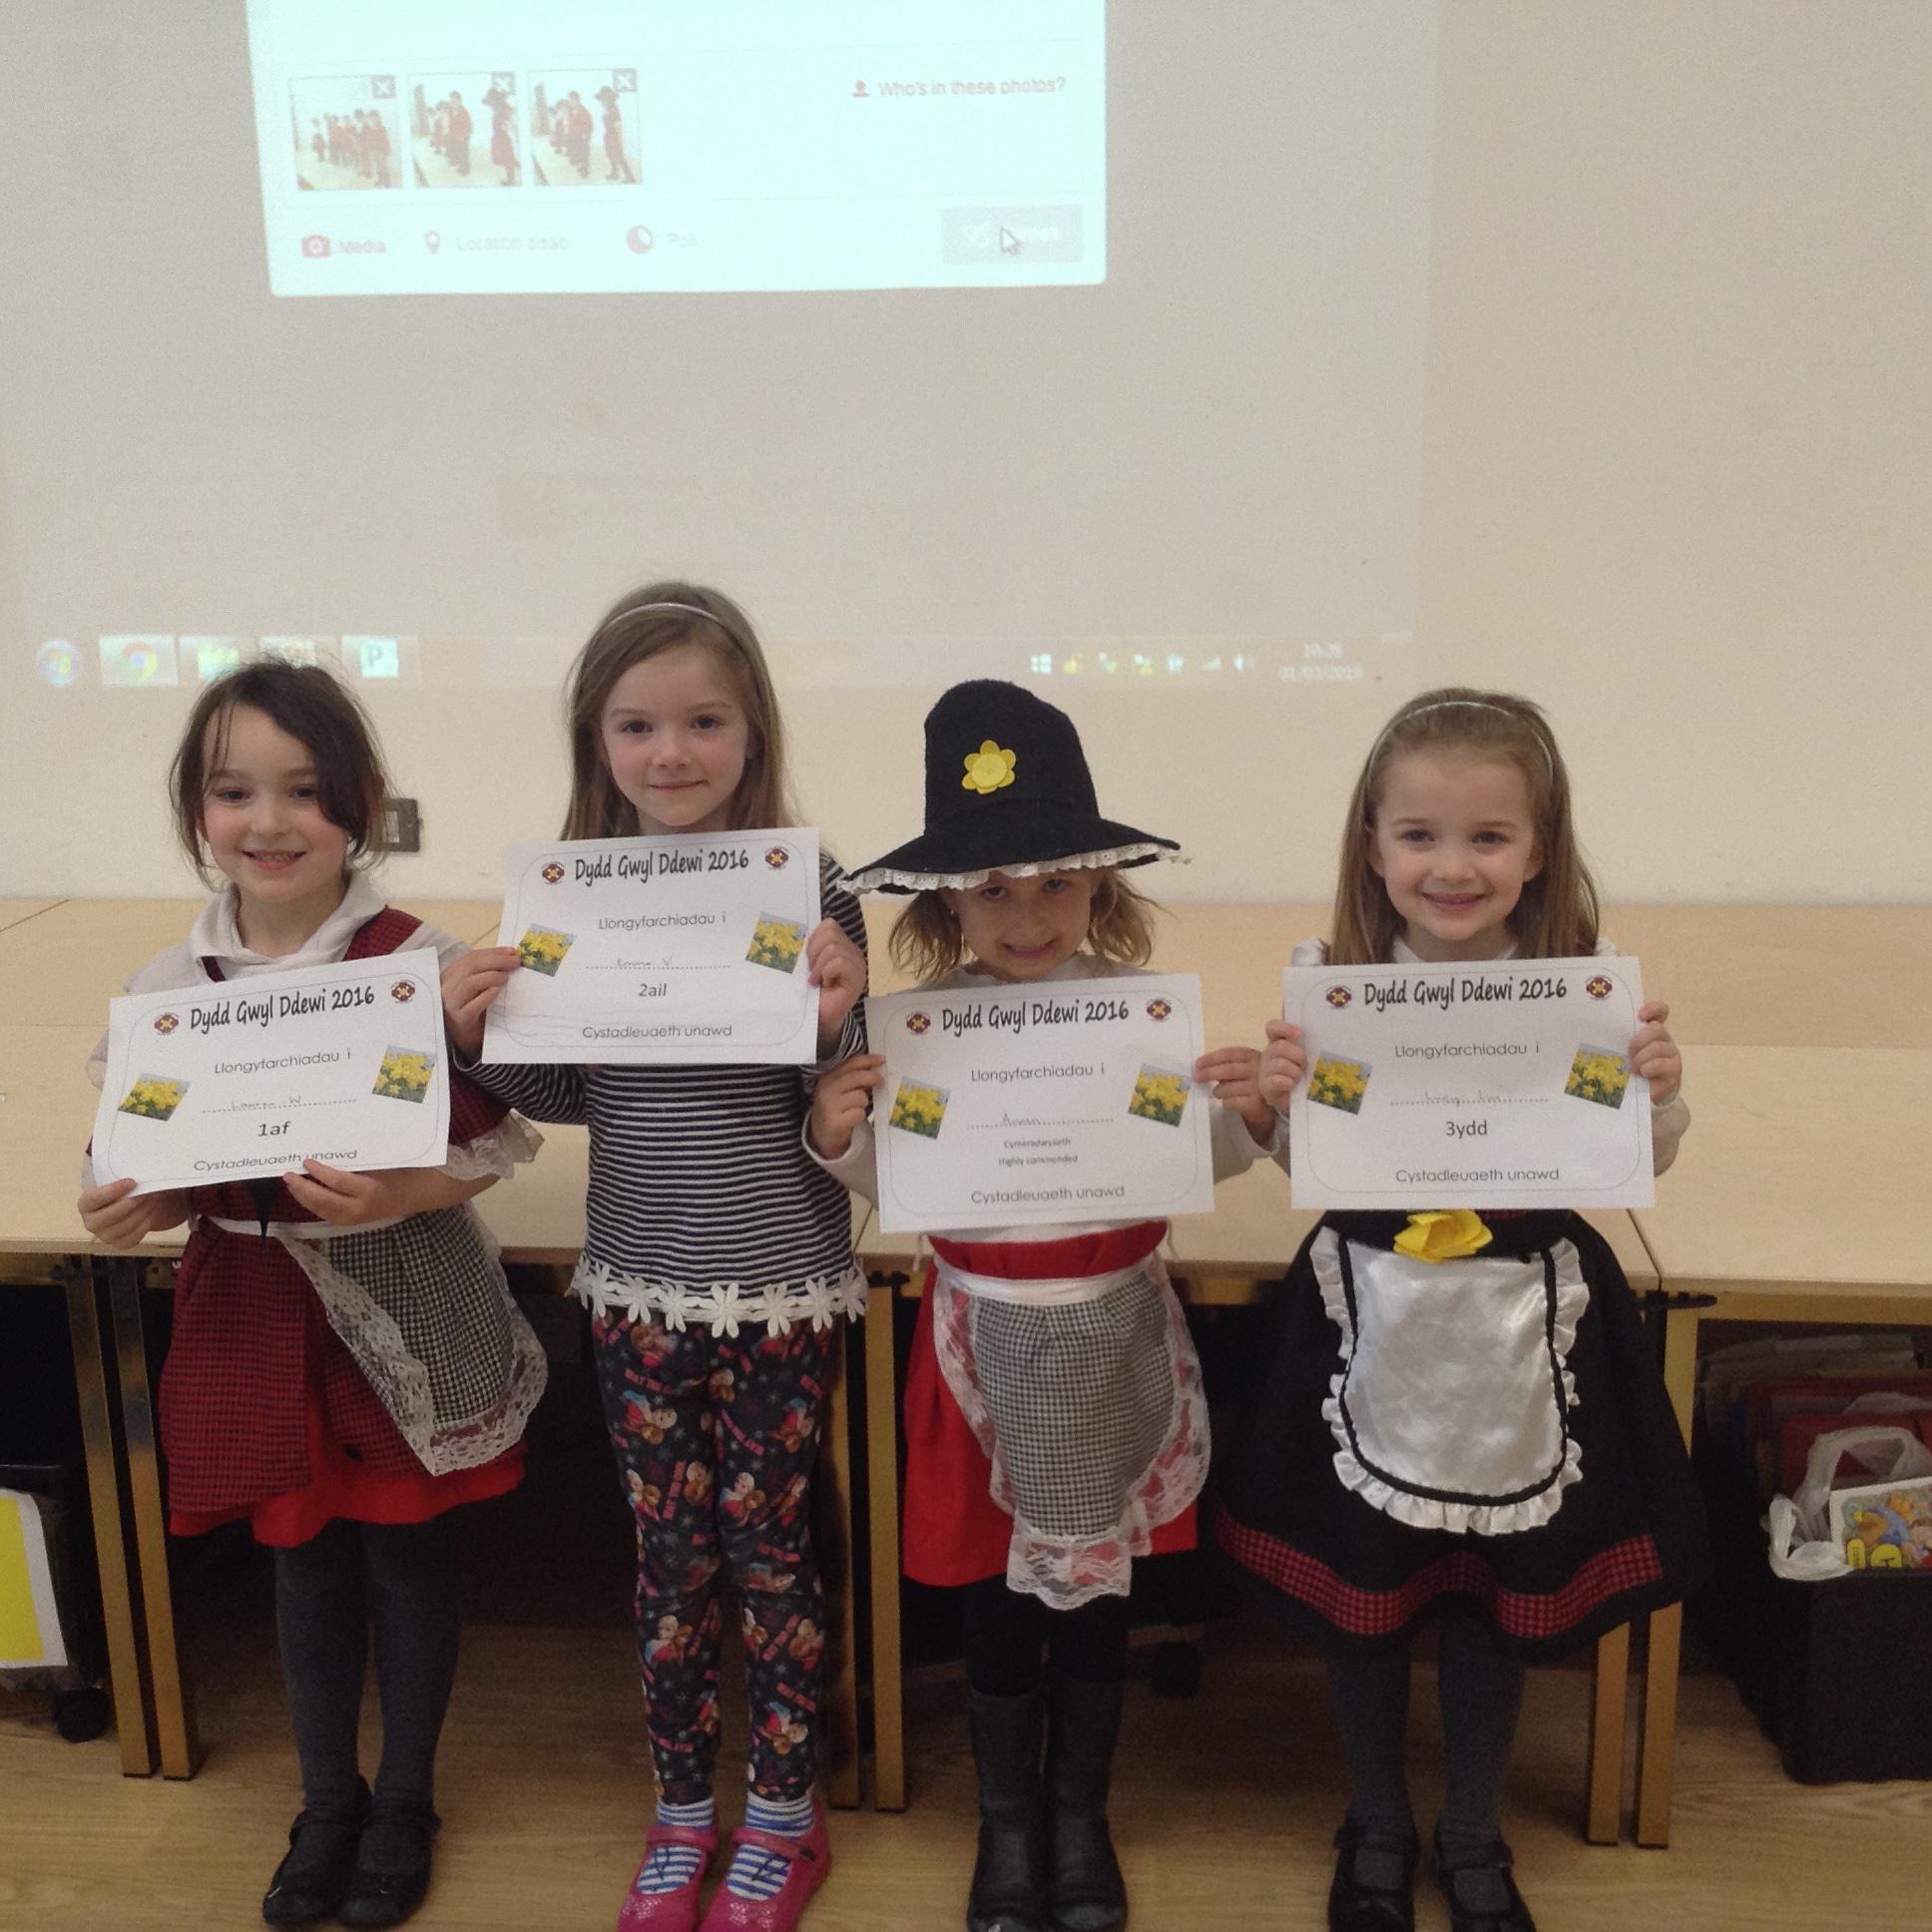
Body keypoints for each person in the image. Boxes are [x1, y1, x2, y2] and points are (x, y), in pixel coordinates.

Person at [1211, 688, 1708, 1932]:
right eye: (1419, 835)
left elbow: (1631, 1153)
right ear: (1372, 845)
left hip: (1526, 1325)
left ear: (1538, 849)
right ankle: (1376, 1819)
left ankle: (1474, 1827)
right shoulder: (1334, 989)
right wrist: (1275, 1106)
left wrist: (1652, 1093)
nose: (1452, 866)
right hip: (1368, 1320)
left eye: (1488, 836)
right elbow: (1312, 1162)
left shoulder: (1577, 991)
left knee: (1499, 1594)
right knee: (1365, 1594)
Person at [76, 662, 546, 1930]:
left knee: (408, 1553)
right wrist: (130, 1202)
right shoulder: (170, 986)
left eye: (303, 789)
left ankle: (406, 1801)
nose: (269, 821)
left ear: (361, 803)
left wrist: (398, 1187)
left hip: (402, 1299)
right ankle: (326, 1801)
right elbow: (134, 1150)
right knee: (301, 1562)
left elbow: (495, 1143)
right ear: (195, 807)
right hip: (252, 1307)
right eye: (233, 791)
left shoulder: (421, 962)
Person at [809, 682, 1282, 1932]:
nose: (1026, 916)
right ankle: (1009, 1822)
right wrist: (841, 1134)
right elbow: (904, 1180)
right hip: (978, 1355)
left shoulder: (1136, 1031)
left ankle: (1080, 1815)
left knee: (1096, 1600)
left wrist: (1246, 1115)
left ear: (1099, 890)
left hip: (1113, 1342)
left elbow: (1191, 1159)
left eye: (1057, 884)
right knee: (992, 1596)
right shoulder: (928, 1043)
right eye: (992, 890)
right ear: (946, 903)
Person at [440, 585, 867, 1932]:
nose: (670, 752)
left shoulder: (813, 890)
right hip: (634, 1286)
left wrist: (837, 1022)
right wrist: (477, 1035)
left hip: (780, 1289)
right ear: (597, 739)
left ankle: (784, 1818)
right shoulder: (576, 892)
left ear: (753, 731)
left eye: (702, 721)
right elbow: (573, 1091)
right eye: (636, 725)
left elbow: (846, 1100)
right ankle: (684, 1813)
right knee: (669, 1564)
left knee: (773, 1556)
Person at [598, 85, 636, 183]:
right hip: (609, 134)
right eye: (602, 98)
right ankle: (614, 173)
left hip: (614, 135)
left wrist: (619, 138)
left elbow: (617, 125)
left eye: (605, 98)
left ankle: (630, 177)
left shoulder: (613, 109)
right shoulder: (607, 108)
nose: (603, 100)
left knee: (619, 156)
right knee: (611, 154)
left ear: (610, 98)